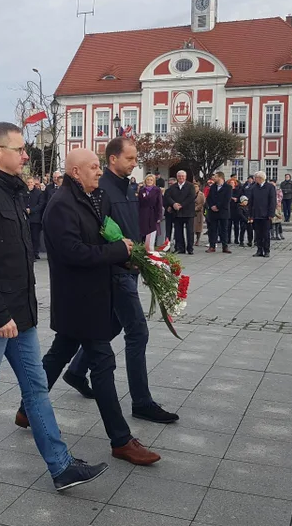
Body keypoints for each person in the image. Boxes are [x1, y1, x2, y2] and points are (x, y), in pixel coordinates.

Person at [0, 124, 108, 495]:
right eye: (19, 149)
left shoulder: (12, 194)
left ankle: (61, 466)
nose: (25, 155)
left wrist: (23, 312)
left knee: (36, 388)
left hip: (21, 313)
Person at [18, 146, 162, 464]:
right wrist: (118, 253)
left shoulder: (92, 197)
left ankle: (26, 409)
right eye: (94, 167)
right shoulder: (61, 205)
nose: (99, 172)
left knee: (59, 353)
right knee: (103, 363)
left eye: (99, 166)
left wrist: (129, 259)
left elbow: (101, 240)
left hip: (93, 294)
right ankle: (121, 440)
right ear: (75, 172)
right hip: (78, 299)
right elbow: (75, 253)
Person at [63, 138, 179, 425]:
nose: (135, 163)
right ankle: (141, 402)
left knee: (112, 325)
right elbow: (99, 233)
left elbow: (129, 227)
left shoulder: (128, 188)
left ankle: (77, 371)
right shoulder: (101, 191)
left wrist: (143, 255)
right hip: (115, 272)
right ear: (113, 159)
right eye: (130, 158)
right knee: (137, 332)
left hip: (130, 266)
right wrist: (123, 257)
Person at [165, 170, 197, 254]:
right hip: (177, 212)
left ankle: (190, 248)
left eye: (183, 176)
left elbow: (191, 197)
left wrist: (181, 205)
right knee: (178, 232)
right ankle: (180, 248)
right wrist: (173, 204)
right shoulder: (173, 187)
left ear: (185, 177)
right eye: (179, 176)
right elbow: (168, 196)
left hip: (188, 212)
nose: (181, 178)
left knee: (189, 231)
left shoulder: (190, 186)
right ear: (177, 177)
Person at [248, 171, 277, 257]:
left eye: (256, 177)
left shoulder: (270, 187)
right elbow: (251, 202)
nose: (254, 179)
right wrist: (250, 214)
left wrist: (271, 214)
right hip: (256, 214)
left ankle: (266, 250)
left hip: (266, 215)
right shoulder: (253, 187)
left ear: (260, 178)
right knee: (258, 234)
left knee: (265, 234)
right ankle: (259, 250)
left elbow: (272, 201)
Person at [205, 171, 233, 254]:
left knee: (224, 229)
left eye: (216, 177)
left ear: (220, 177)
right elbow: (209, 198)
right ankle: (212, 246)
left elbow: (226, 200)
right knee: (212, 229)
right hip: (213, 212)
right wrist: (212, 206)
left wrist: (218, 206)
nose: (214, 178)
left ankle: (225, 246)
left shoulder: (228, 187)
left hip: (223, 211)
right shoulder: (213, 187)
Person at [137, 174, 163, 250]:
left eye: (151, 180)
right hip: (143, 213)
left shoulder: (157, 190)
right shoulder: (142, 190)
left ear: (153, 181)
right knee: (143, 231)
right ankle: (142, 248)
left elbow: (159, 203)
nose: (149, 181)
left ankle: (150, 248)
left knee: (152, 232)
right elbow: (139, 202)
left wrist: (159, 216)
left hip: (153, 213)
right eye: (148, 180)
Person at [24, 176, 44, 260]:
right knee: (27, 237)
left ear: (34, 183)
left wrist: (31, 210)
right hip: (26, 218)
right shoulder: (23, 192)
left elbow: (40, 205)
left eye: (31, 182)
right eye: (28, 182)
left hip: (35, 219)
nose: (30, 184)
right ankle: (29, 253)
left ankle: (35, 253)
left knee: (35, 237)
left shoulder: (39, 193)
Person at [163, 177, 177, 248]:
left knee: (177, 228)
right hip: (168, 212)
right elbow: (164, 201)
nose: (170, 184)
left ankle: (175, 241)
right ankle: (167, 243)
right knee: (168, 229)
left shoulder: (178, 191)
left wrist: (172, 207)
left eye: (171, 183)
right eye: (169, 183)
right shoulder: (167, 191)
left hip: (176, 212)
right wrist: (166, 207)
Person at [192, 178, 206, 248]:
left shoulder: (201, 194)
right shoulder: (190, 193)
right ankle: (191, 239)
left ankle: (197, 240)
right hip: (191, 212)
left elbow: (202, 203)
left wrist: (197, 208)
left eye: (196, 187)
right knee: (191, 227)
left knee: (198, 227)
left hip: (198, 212)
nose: (195, 188)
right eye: (194, 187)